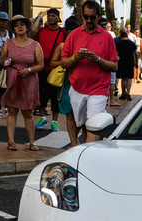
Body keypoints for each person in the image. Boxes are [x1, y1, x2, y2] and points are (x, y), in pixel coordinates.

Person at [60, 1, 117, 143]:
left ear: (98, 16)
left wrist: (98, 60)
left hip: (98, 89)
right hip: (77, 87)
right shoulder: (73, 35)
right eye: (86, 17)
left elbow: (114, 66)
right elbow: (63, 62)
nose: (89, 20)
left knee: (93, 123)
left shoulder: (107, 37)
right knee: (78, 121)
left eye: (92, 17)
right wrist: (74, 58)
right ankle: (75, 145)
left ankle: (87, 153)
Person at [0, 14, 44, 151]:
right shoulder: (9, 42)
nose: (19, 26)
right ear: (13, 28)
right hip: (13, 79)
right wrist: (6, 62)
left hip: (29, 80)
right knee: (12, 110)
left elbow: (41, 65)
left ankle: (32, 142)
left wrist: (29, 70)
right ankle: (11, 141)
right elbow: (2, 61)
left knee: (27, 112)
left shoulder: (35, 45)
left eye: (22, 24)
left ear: (26, 27)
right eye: (16, 25)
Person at [34, 8, 67, 131]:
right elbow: (35, 43)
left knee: (55, 96)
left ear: (58, 18)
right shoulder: (41, 31)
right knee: (42, 95)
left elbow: (66, 50)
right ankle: (42, 118)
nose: (50, 18)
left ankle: (54, 122)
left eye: (53, 16)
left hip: (56, 70)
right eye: (49, 15)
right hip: (42, 68)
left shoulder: (63, 33)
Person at [50, 17, 81, 146]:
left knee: (80, 114)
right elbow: (52, 63)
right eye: (69, 30)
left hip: (80, 83)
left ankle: (75, 139)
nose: (71, 33)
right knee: (69, 113)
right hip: (66, 83)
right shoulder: (62, 46)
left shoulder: (83, 46)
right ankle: (73, 141)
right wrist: (65, 62)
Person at [98, 17, 119, 106]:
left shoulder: (109, 35)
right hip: (99, 62)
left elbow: (113, 49)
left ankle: (111, 99)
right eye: (101, 25)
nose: (103, 27)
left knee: (111, 81)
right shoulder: (97, 36)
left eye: (105, 25)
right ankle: (107, 99)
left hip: (109, 61)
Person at [116, 28, 136, 101]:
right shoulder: (131, 44)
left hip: (121, 63)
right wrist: (136, 62)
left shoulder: (118, 44)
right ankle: (128, 93)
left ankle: (123, 93)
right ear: (127, 36)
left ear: (120, 36)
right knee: (129, 78)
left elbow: (116, 54)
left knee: (123, 78)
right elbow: (136, 54)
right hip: (130, 62)